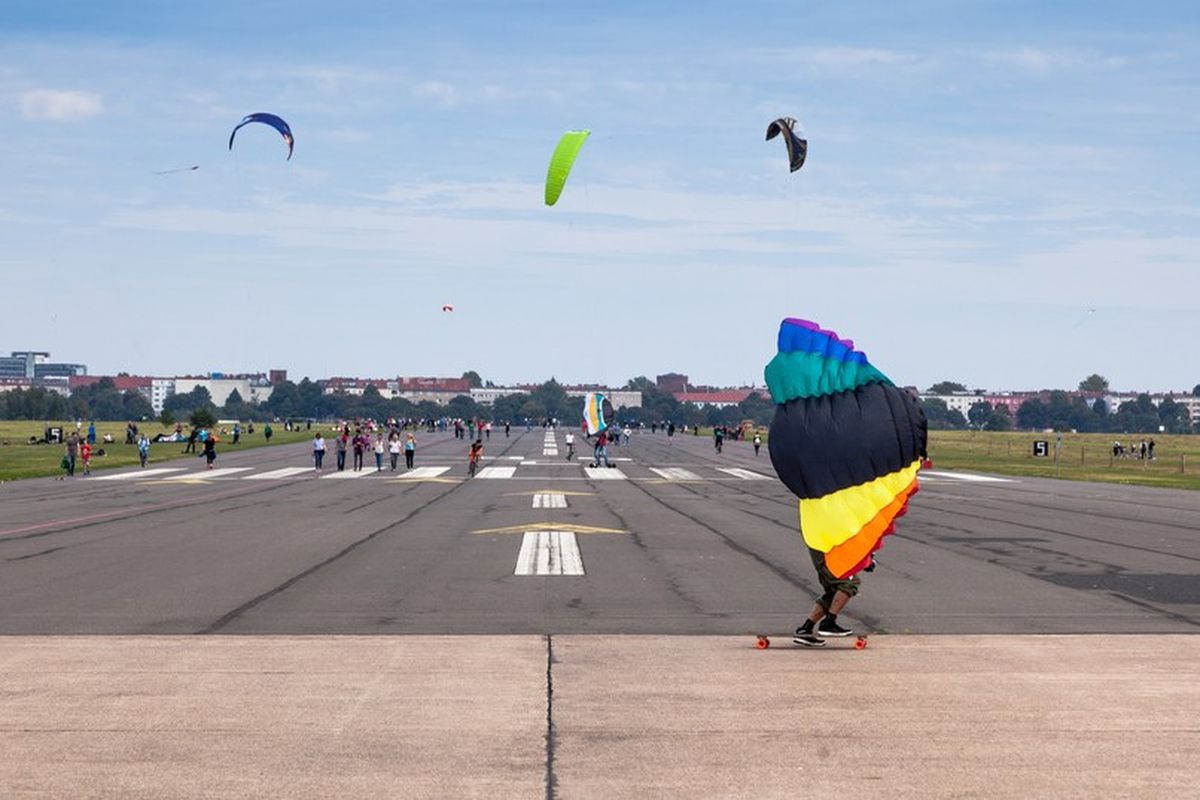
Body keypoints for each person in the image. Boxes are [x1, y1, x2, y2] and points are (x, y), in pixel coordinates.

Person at [793, 546, 862, 648]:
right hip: (827, 554)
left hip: (826, 553)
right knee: (850, 583)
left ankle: (806, 628)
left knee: (835, 592)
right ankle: (828, 623)